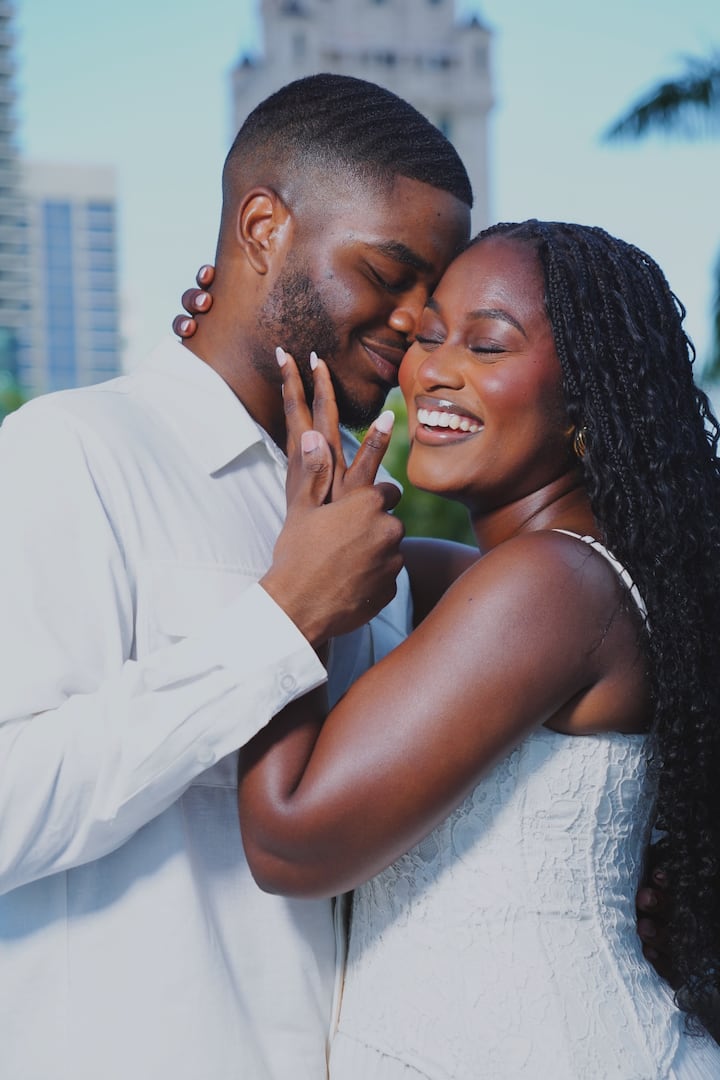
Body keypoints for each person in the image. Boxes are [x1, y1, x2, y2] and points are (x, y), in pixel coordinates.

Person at [0, 74, 472, 1080]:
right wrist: (279, 622)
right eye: (386, 273)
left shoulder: (365, 522)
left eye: (432, 297)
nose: (413, 322)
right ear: (263, 228)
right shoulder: (71, 452)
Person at [231, 221, 720, 1076]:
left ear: (585, 399)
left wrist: (299, 594)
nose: (433, 371)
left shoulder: (547, 584)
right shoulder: (528, 578)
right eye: (426, 338)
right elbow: (399, 563)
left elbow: (290, 841)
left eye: (487, 346)